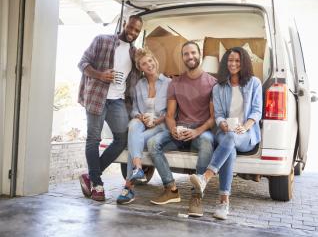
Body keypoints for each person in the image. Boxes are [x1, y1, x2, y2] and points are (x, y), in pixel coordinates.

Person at [189, 47, 262, 220]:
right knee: (230, 148)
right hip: (226, 132)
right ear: (225, 63)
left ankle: (205, 177)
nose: (233, 64)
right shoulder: (219, 87)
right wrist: (222, 124)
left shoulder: (254, 83)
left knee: (231, 140)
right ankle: (223, 203)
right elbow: (219, 114)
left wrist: (245, 126)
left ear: (243, 62)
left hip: (246, 134)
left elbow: (257, 111)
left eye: (237, 60)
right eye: (230, 60)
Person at [77, 15, 143, 201]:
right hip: (97, 96)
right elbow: (82, 63)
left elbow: (140, 74)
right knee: (93, 139)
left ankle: (90, 175)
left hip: (118, 101)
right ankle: (97, 184)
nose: (132, 32)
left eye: (137, 30)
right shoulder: (102, 40)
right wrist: (100, 75)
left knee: (122, 139)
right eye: (130, 27)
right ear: (124, 24)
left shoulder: (134, 53)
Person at [147, 41, 217, 217]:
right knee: (153, 142)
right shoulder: (175, 83)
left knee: (208, 142)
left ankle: (196, 195)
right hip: (180, 129)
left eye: (193, 53)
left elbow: (213, 118)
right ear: (183, 57)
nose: (190, 56)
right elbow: (170, 115)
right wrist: (173, 130)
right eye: (186, 54)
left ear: (199, 54)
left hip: (200, 131)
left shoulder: (212, 83)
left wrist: (197, 131)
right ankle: (170, 189)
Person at [116, 48, 171, 204]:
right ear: (140, 68)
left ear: (155, 61)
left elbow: (172, 113)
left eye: (150, 61)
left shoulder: (169, 83)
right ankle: (138, 169)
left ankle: (129, 187)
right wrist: (140, 117)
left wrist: (156, 121)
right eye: (144, 64)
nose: (149, 65)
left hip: (161, 125)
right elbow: (134, 110)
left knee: (134, 141)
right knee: (133, 124)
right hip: (143, 123)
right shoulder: (139, 85)